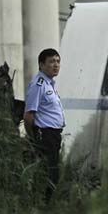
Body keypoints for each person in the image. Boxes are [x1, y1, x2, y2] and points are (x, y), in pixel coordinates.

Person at [24, 48, 65, 202]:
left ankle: (47, 203)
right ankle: (44, 204)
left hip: (53, 134)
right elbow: (28, 116)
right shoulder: (38, 85)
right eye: (51, 62)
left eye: (58, 61)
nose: (56, 65)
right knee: (48, 173)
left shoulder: (49, 84)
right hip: (45, 134)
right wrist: (33, 138)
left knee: (52, 172)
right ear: (41, 65)